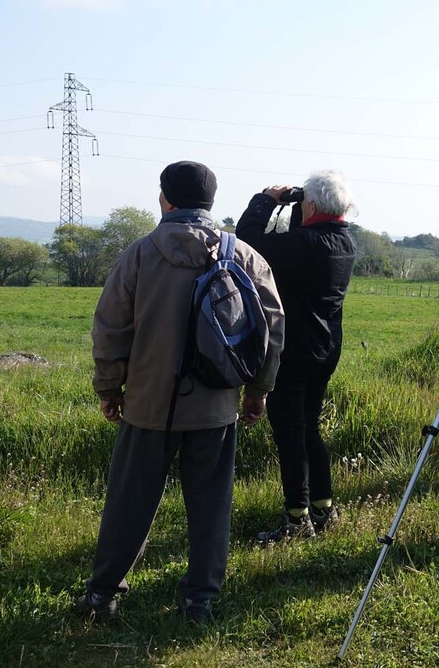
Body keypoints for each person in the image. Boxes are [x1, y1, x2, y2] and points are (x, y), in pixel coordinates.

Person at [80, 160, 285, 623]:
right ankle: (200, 600)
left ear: (165, 198)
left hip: (147, 405)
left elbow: (110, 328)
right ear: (210, 203)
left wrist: (109, 388)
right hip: (216, 407)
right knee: (212, 504)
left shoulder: (139, 254)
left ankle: (103, 595)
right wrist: (258, 393)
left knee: (129, 501)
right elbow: (271, 329)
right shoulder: (245, 257)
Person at [236, 170, 358, 543]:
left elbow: (248, 241)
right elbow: (290, 240)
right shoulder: (344, 241)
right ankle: (322, 509)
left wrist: (266, 200)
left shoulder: (304, 243)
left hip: (294, 351)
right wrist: (293, 205)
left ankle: (295, 519)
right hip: (326, 349)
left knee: (290, 434)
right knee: (310, 429)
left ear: (313, 205)